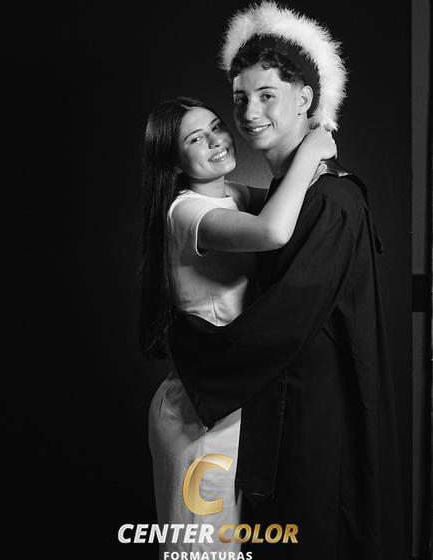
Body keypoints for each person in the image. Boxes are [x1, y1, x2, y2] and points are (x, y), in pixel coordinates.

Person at [170, 1, 406, 559]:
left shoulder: (331, 199)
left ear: (305, 99)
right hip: (281, 413)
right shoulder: (285, 194)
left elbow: (286, 318)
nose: (249, 112)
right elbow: (247, 215)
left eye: (267, 95)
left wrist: (192, 347)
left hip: (317, 418)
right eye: (239, 98)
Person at [140, 95, 336, 556]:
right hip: (198, 414)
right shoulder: (185, 212)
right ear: (174, 161)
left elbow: (298, 204)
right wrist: (312, 148)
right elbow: (273, 231)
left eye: (216, 126)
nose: (216, 141)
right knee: (201, 552)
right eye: (196, 139)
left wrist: (303, 134)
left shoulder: (232, 195)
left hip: (238, 403)